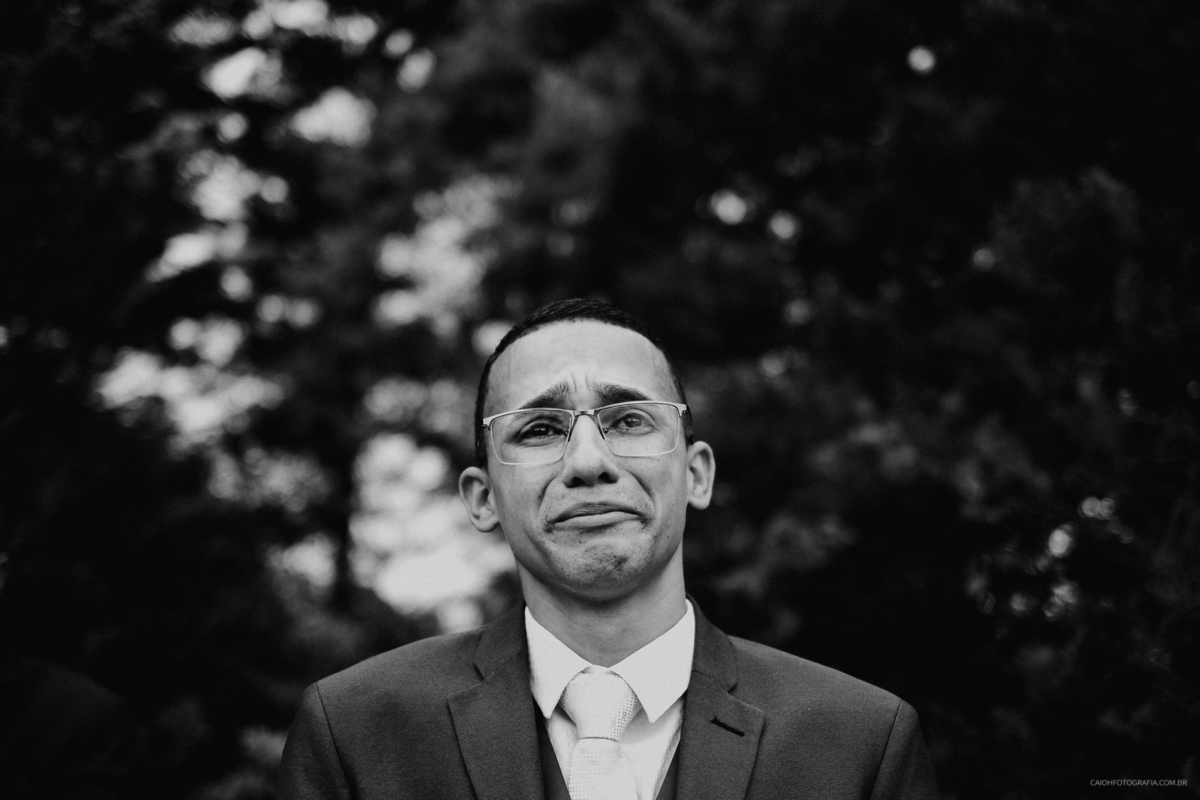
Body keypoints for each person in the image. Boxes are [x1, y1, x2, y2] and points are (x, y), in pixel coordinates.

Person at [278, 299, 939, 800]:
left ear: (697, 473)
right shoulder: (356, 734)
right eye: (539, 429)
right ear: (482, 498)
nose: (589, 462)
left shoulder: (861, 745)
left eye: (628, 419)